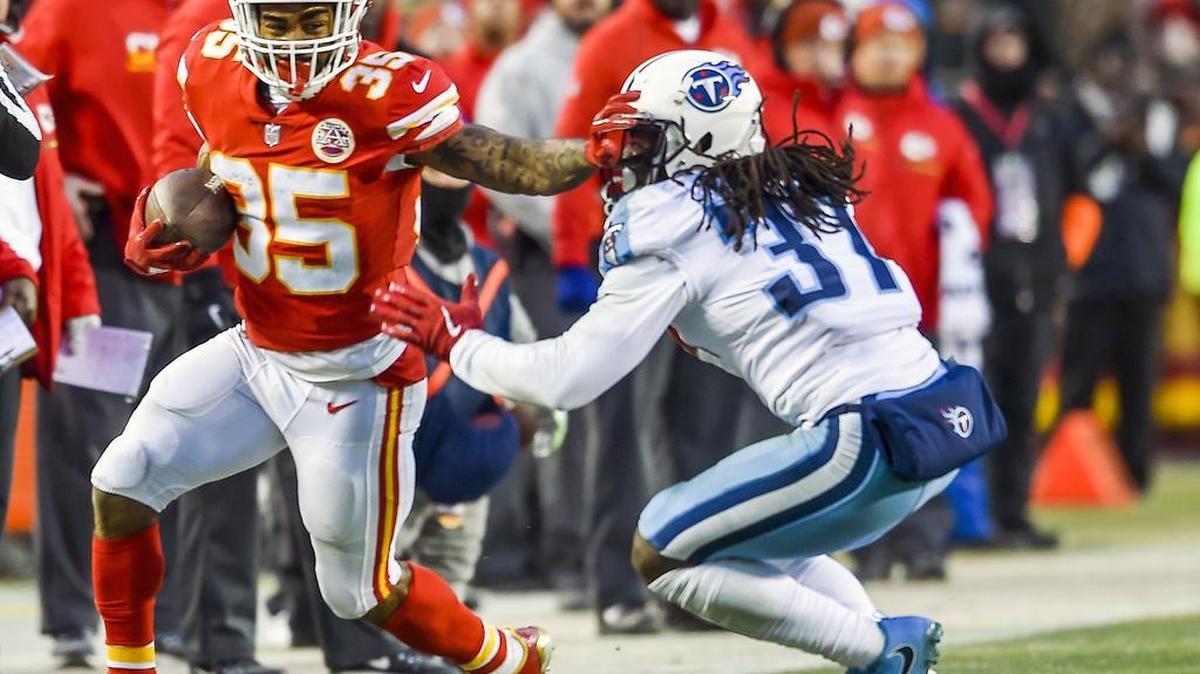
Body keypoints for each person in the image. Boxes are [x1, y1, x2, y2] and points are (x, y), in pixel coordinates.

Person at [373, 48, 1005, 674]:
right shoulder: (792, 184)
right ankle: (879, 658)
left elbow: (565, 379)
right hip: (938, 409)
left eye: (645, 140)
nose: (627, 158)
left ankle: (876, 648)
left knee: (665, 549)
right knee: (755, 541)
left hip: (863, 437)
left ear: (698, 139)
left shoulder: (670, 219)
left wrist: (455, 342)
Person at [88, 1, 603, 673]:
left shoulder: (391, 91)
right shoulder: (209, 64)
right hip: (257, 349)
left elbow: (507, 161)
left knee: (361, 591)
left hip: (357, 374)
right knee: (122, 480)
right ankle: (131, 668)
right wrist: (165, 227)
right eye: (275, 23)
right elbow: (220, 173)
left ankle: (509, 658)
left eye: (310, 20)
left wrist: (598, 152)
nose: (294, 41)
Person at [551, 0, 760, 634]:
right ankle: (614, 586)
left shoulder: (730, 33)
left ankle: (693, 586)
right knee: (618, 428)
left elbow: (752, 145)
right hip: (633, 250)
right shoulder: (610, 41)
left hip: (713, 248)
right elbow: (574, 148)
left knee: (705, 425)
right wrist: (570, 252)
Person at [12, 0, 191, 663]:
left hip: (193, 268)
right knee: (88, 438)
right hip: (108, 260)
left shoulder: (216, 14)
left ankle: (164, 615)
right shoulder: (69, 10)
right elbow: (18, 106)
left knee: (177, 444)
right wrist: (54, 183)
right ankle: (72, 620)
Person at [835, 1, 993, 581]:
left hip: (922, 310)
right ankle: (867, 546)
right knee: (858, 431)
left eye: (903, 44)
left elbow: (976, 203)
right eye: (879, 42)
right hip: (847, 311)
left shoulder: (942, 125)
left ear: (920, 53)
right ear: (857, 50)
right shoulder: (832, 116)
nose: (890, 54)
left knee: (931, 427)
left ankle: (926, 542)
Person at [473, 0, 611, 605]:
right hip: (551, 262)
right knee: (562, 406)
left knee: (628, 414)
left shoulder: (634, 51)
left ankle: (603, 546)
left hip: (635, 258)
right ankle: (565, 550)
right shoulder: (521, 67)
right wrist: (575, 229)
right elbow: (500, 169)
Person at [952, 5, 1069, 550]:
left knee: (1025, 397)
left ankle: (1015, 511)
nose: (1006, 54)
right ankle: (973, 518)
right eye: (996, 43)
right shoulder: (960, 115)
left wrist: (1065, 262)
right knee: (980, 399)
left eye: (1014, 43)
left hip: (1038, 278)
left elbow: (1079, 195)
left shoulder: (1047, 119)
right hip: (974, 280)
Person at [1058, 32, 1189, 493]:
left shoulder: (1159, 115)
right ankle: (1067, 473)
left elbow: (1177, 177)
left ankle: (1135, 472)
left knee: (1140, 382)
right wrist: (1106, 140)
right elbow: (1068, 175)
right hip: (1090, 269)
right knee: (1079, 378)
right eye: (1108, 63)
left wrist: (1142, 151)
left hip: (1145, 267)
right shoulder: (1072, 115)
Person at [0, 0, 99, 568]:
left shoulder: (18, 71)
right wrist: (10, 263)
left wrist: (78, 292)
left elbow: (45, 197)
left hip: (13, 309)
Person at [757, 0, 848, 143]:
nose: (821, 58)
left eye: (831, 46)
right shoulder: (760, 106)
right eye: (808, 43)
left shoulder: (854, 105)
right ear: (782, 47)